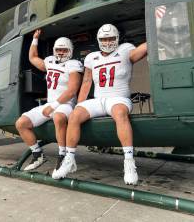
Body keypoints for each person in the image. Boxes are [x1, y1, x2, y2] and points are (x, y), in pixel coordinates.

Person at [52, 24, 147, 185]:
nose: (108, 42)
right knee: (75, 115)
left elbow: (143, 49)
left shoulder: (125, 50)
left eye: (111, 38)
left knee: (119, 113)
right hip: (98, 100)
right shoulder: (91, 57)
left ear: (117, 39)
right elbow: (87, 82)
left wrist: (156, 25)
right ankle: (69, 160)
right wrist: (79, 104)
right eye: (104, 39)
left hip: (118, 98)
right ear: (98, 40)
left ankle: (129, 163)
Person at [16, 29, 83, 171]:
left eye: (64, 50)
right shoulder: (50, 61)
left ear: (70, 51)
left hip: (65, 104)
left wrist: (53, 107)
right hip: (50, 104)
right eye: (58, 50)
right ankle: (37, 154)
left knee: (58, 117)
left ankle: (63, 156)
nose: (61, 53)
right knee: (21, 123)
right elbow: (33, 57)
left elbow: (71, 91)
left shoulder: (74, 65)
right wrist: (35, 39)